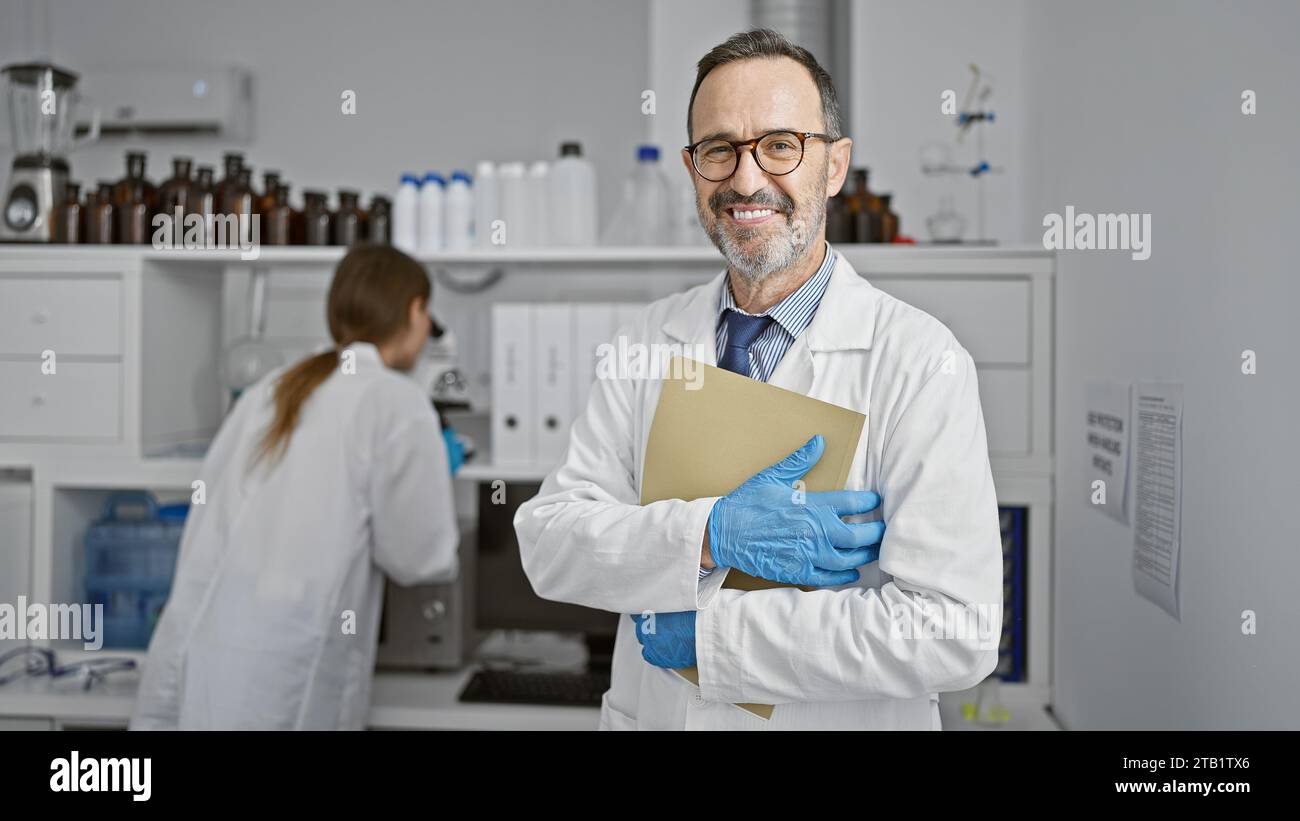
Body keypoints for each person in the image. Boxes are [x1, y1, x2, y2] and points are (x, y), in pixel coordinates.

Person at [514, 29, 1002, 730]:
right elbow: (550, 541)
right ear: (692, 168)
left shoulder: (921, 360)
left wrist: (716, 641)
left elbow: (956, 628)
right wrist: (710, 532)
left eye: (780, 145)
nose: (745, 181)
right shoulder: (644, 342)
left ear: (835, 166)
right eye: (719, 149)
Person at [131, 245, 459, 730]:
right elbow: (419, 558)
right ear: (414, 310)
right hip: (286, 679)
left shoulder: (271, 389)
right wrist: (432, 469)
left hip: (206, 661)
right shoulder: (396, 402)